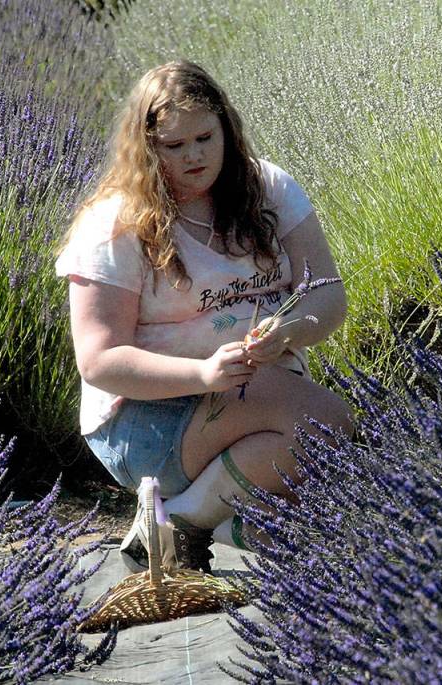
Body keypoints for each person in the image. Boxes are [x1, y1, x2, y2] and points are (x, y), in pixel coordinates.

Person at [54, 61, 354, 573]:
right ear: (146, 149)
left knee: (326, 504)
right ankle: (186, 523)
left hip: (254, 392)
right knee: (328, 423)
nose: (194, 155)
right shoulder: (114, 224)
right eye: (174, 146)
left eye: (204, 137)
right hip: (145, 420)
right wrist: (202, 373)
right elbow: (99, 361)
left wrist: (288, 329)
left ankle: (184, 526)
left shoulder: (269, 189)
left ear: (226, 129)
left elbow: (327, 296)